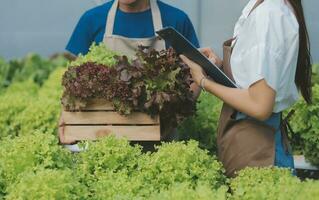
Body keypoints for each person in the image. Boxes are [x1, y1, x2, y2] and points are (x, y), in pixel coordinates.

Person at [180, 0, 312, 177]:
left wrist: (204, 82)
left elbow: (260, 106)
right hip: (249, 142)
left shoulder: (268, 14)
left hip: (259, 147)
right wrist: (219, 68)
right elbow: (255, 82)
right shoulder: (262, 7)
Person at [59, 0, 200, 145]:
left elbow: (195, 77)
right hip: (103, 139)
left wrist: (172, 119)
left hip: (161, 140)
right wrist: (67, 116)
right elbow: (75, 81)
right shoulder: (92, 20)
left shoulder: (176, 20)